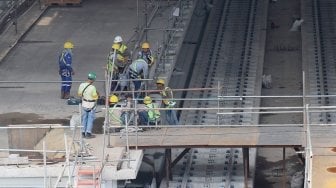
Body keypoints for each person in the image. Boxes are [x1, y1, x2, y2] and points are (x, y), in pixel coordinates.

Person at [78, 72, 99, 138]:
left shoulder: (81, 85)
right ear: (93, 80)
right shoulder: (93, 87)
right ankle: (88, 133)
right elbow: (95, 97)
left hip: (84, 103)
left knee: (84, 118)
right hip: (91, 105)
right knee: (90, 118)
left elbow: (79, 94)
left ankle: (83, 132)